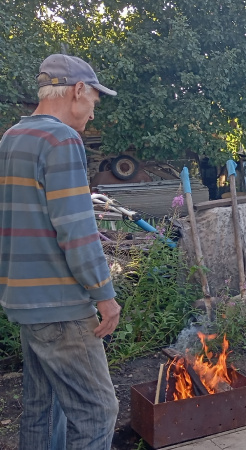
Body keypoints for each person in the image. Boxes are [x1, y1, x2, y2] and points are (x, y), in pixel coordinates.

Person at [0, 54, 121, 449]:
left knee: (42, 408)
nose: (91, 114)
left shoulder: (12, 138)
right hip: (62, 306)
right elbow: (77, 231)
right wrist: (105, 295)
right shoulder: (61, 139)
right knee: (98, 412)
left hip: (26, 303)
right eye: (93, 103)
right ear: (78, 90)